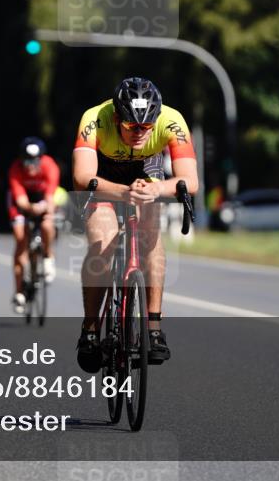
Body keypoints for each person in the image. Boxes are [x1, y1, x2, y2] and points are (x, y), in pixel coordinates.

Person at [72, 77, 198, 372]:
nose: (140, 132)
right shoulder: (94, 120)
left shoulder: (172, 120)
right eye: (132, 127)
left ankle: (153, 327)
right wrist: (122, 192)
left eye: (147, 126)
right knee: (103, 241)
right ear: (117, 118)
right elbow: (81, 178)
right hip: (103, 177)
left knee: (150, 231)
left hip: (147, 171)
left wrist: (157, 190)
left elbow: (190, 181)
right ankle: (90, 329)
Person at [8, 137, 60, 314]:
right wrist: (31, 209)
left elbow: (51, 196)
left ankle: (47, 256)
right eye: (27, 160)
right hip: (21, 203)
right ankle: (19, 292)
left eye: (35, 160)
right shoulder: (15, 169)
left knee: (47, 224)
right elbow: (20, 200)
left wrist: (45, 209)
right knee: (20, 238)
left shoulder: (49, 165)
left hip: (42, 199)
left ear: (41, 159)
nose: (30, 165)